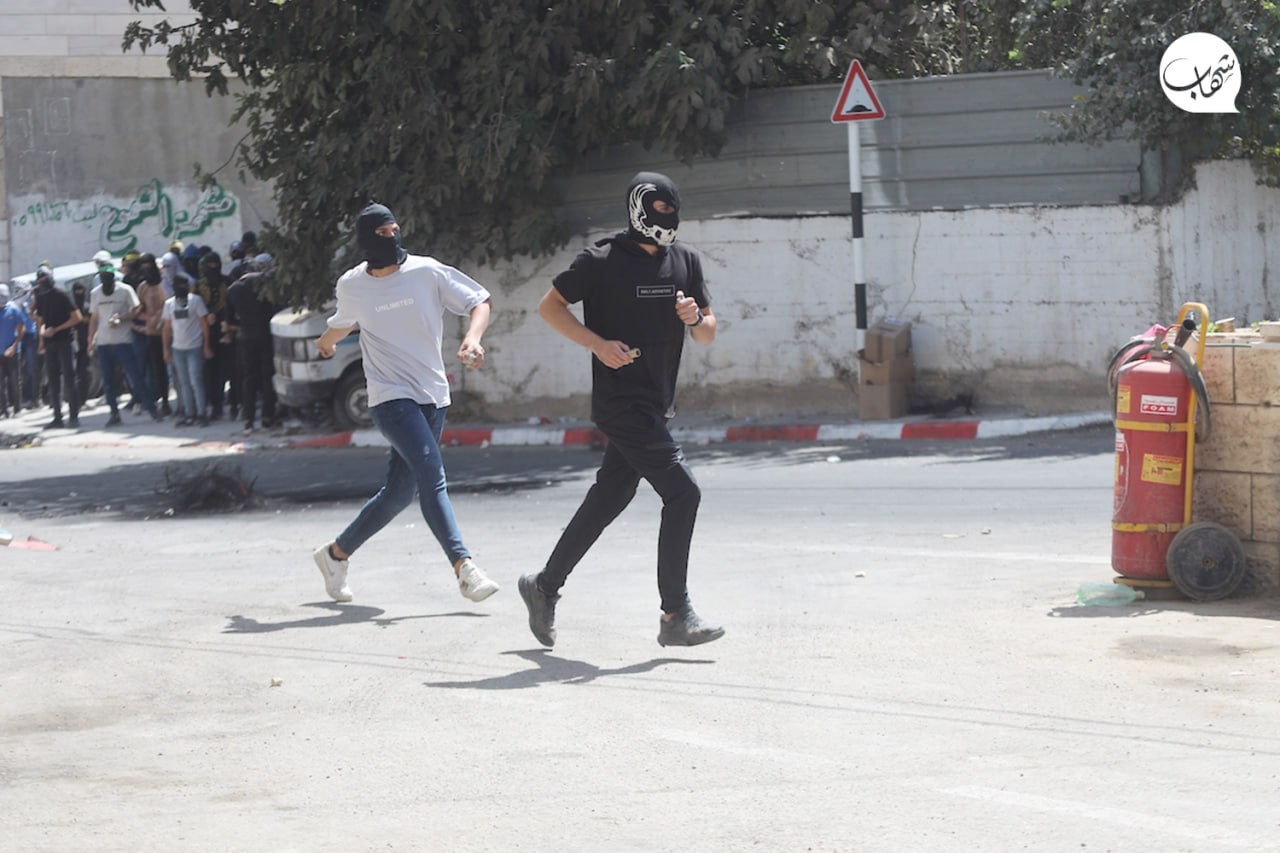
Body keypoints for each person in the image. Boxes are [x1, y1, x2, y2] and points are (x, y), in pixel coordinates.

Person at [518, 172, 724, 648]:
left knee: (610, 496)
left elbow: (708, 332)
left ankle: (543, 587)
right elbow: (550, 306)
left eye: (673, 210)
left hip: (656, 402)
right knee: (683, 493)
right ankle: (675, 614)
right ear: (638, 209)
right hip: (620, 402)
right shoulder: (601, 260)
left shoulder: (685, 261)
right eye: (659, 209)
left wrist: (696, 318)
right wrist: (597, 344)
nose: (668, 218)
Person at [312, 202, 498, 605]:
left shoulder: (426, 271)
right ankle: (464, 567)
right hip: (390, 396)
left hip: (433, 396)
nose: (392, 237)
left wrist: (473, 338)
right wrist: (325, 344)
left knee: (399, 494)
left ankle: (335, 555)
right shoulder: (353, 284)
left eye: (395, 229)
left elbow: (479, 300)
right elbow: (343, 321)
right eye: (383, 232)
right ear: (366, 239)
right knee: (432, 475)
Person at [88, 267, 161, 425]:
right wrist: (91, 340)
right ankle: (114, 413)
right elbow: (94, 318)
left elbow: (136, 309)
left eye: (109, 278)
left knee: (135, 376)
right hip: (104, 342)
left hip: (123, 340)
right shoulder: (96, 293)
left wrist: (122, 318)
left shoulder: (125, 290)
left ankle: (151, 409)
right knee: (108, 380)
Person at [224, 252, 279, 431]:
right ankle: (267, 417)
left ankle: (248, 418)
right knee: (267, 377)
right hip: (266, 335)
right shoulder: (266, 285)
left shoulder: (232, 290)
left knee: (249, 378)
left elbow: (229, 321)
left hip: (245, 337)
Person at [32, 265, 83, 429]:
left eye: (45, 279)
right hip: (50, 343)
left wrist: (57, 329)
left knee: (69, 378)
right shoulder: (41, 297)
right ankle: (57, 417)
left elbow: (77, 317)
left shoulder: (61, 294)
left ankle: (74, 416)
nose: (43, 282)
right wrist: (42, 336)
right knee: (53, 381)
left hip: (65, 340)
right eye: (40, 280)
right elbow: (41, 320)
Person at [161, 273, 212, 426]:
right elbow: (166, 328)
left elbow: (204, 324)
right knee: (184, 383)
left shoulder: (196, 300)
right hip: (178, 348)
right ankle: (189, 413)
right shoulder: (169, 304)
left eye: (184, 285)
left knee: (196, 380)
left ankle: (202, 413)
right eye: (178, 285)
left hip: (195, 347)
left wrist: (206, 345)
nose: (181, 287)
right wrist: (166, 349)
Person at [195, 251, 237, 420]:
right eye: (209, 265)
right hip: (207, 332)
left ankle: (234, 404)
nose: (212, 268)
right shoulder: (198, 286)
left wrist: (227, 322)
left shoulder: (227, 282)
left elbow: (233, 305)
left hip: (226, 330)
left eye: (214, 264)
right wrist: (206, 317)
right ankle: (215, 406)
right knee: (210, 372)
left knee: (230, 370)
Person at [132, 253, 171, 415]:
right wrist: (149, 319)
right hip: (153, 333)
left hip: (170, 331)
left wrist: (161, 316)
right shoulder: (143, 287)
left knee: (174, 368)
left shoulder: (165, 283)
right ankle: (164, 401)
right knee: (157, 369)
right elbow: (138, 309)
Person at [0, 284, 25, 417]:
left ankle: (17, 409)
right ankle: (3, 410)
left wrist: (14, 346)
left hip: (12, 352)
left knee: (14, 381)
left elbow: (22, 327)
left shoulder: (13, 310)